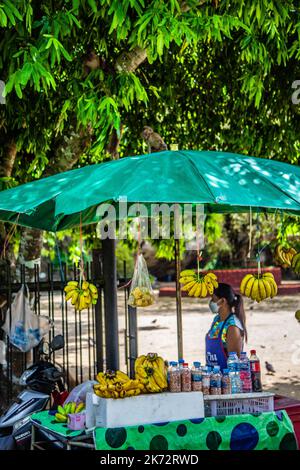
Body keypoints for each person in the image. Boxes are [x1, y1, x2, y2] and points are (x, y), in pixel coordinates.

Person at [205, 283, 247, 371]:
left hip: (227, 381)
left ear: (223, 301)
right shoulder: (217, 320)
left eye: (213, 299)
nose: (211, 302)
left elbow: (235, 362)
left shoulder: (232, 326)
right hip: (214, 378)